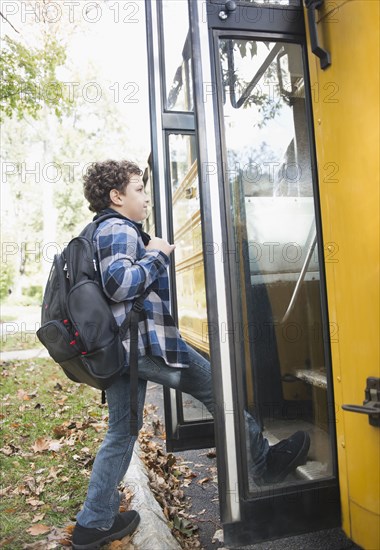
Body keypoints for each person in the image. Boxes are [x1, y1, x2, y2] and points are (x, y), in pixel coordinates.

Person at [71, 160, 310, 550]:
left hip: (119, 351)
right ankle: (262, 466)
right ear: (116, 197)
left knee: (120, 433)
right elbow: (119, 285)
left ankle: (92, 523)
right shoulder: (117, 228)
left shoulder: (97, 230)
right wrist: (159, 253)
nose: (146, 196)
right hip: (146, 347)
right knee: (223, 393)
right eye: (138, 189)